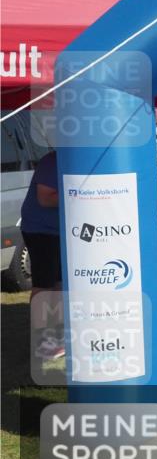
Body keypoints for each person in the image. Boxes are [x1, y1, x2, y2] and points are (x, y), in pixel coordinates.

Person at [20, 151, 65, 360]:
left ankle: (56, 336)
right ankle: (42, 340)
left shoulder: (74, 158)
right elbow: (45, 198)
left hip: (59, 230)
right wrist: (79, 193)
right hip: (40, 230)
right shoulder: (52, 161)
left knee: (60, 284)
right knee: (44, 285)